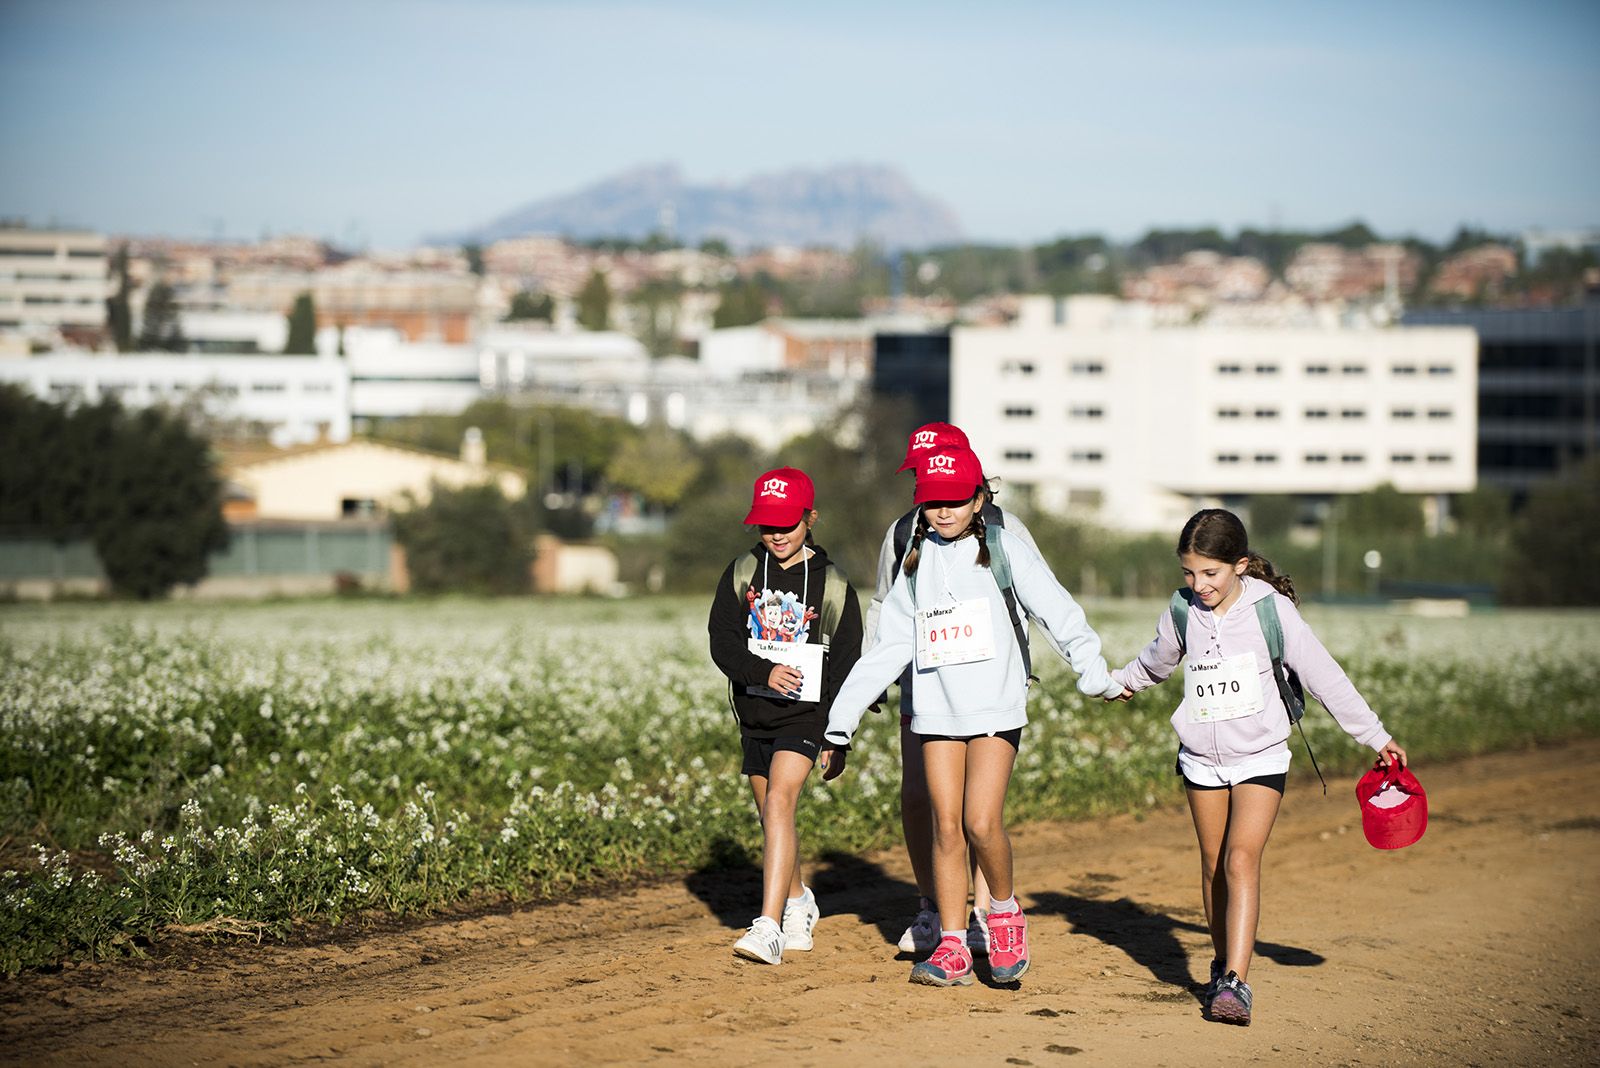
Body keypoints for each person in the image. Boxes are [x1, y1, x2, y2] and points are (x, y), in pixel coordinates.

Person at [825, 446, 1124, 987]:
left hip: (994, 708)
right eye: (931, 503)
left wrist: (1094, 673)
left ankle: (1005, 915)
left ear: (978, 498)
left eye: (955, 502)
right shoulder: (915, 558)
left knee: (981, 823)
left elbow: (1057, 612)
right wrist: (839, 722)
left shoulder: (1006, 547)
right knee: (946, 827)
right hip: (936, 711)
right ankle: (953, 945)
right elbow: (888, 646)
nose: (942, 513)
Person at [1109, 508, 1408, 1025]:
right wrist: (1122, 682)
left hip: (1262, 755)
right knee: (1212, 863)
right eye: (1189, 573)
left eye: (1211, 573)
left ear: (1239, 565)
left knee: (1241, 858)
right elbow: (1157, 659)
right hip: (1201, 760)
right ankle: (1222, 960)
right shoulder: (1182, 611)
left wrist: (1375, 735)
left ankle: (1235, 983)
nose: (1199, 584)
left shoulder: (1273, 612)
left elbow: (1324, 676)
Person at [866, 422, 1042, 959]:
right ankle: (933, 910)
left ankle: (988, 914)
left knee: (979, 811)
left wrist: (1011, 667)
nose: (927, 483)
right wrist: (875, 677)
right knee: (922, 800)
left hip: (987, 688)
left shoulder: (1006, 529)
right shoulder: (904, 533)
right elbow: (883, 604)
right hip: (923, 684)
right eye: (919, 474)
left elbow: (1033, 598)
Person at [708, 466, 862, 965]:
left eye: (787, 525)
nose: (776, 534)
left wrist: (839, 735)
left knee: (779, 804)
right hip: (753, 712)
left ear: (810, 519)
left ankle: (768, 926)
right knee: (772, 817)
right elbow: (721, 642)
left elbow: (847, 666)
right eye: (766, 525)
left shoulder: (835, 587)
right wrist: (763, 670)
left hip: (807, 716)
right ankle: (798, 901)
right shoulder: (740, 573)